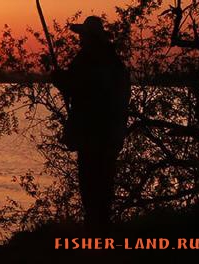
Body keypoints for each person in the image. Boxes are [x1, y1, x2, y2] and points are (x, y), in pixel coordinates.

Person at [52, 16, 130, 235]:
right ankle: (100, 231)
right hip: (110, 134)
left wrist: (61, 80)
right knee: (103, 184)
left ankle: (94, 235)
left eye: (84, 36)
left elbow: (82, 88)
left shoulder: (90, 60)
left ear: (90, 37)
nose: (81, 40)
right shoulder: (112, 61)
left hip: (94, 134)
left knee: (91, 184)